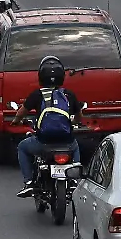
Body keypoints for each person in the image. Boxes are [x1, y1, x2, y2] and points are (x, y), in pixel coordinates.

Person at [15, 56, 85, 195]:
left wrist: (16, 121)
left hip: (43, 142)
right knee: (76, 146)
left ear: (40, 76)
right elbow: (79, 117)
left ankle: (29, 182)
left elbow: (21, 113)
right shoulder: (68, 94)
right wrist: (74, 122)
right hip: (67, 142)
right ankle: (74, 179)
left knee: (22, 147)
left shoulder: (37, 94)